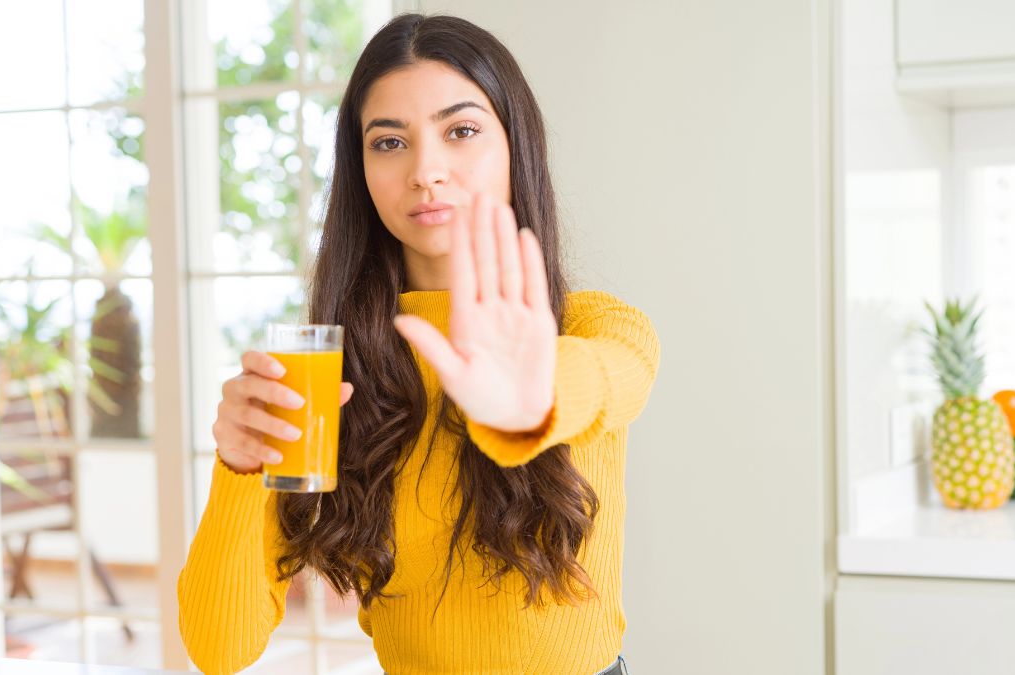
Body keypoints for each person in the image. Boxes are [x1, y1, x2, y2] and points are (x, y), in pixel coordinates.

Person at [177, 12, 659, 675]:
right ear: (362, 168)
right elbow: (218, 648)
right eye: (389, 142)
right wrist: (237, 468)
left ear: (516, 145)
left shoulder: (593, 328)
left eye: (461, 131)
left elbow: (615, 375)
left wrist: (529, 400)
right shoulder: (325, 371)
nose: (427, 171)